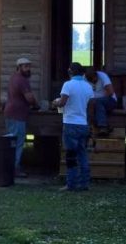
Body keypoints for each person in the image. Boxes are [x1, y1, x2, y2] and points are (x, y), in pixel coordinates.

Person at [53, 62, 94, 192]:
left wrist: (55, 103)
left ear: (70, 72)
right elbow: (91, 107)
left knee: (71, 155)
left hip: (70, 122)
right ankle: (84, 183)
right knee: (83, 154)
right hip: (83, 123)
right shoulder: (88, 86)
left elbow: (63, 102)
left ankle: (71, 184)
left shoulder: (68, 85)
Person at [3, 57, 38, 177]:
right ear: (19, 68)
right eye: (25, 66)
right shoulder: (22, 80)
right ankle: (14, 169)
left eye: (29, 66)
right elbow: (29, 98)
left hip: (10, 112)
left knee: (11, 141)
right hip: (17, 114)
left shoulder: (13, 78)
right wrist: (36, 105)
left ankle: (9, 167)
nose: (28, 69)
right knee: (17, 142)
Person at [85, 67, 117, 136]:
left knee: (97, 102)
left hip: (110, 100)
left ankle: (103, 126)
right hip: (93, 103)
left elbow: (110, 92)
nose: (93, 81)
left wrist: (95, 100)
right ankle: (99, 127)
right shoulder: (84, 79)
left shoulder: (102, 76)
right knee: (93, 104)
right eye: (90, 80)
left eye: (94, 79)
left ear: (96, 75)